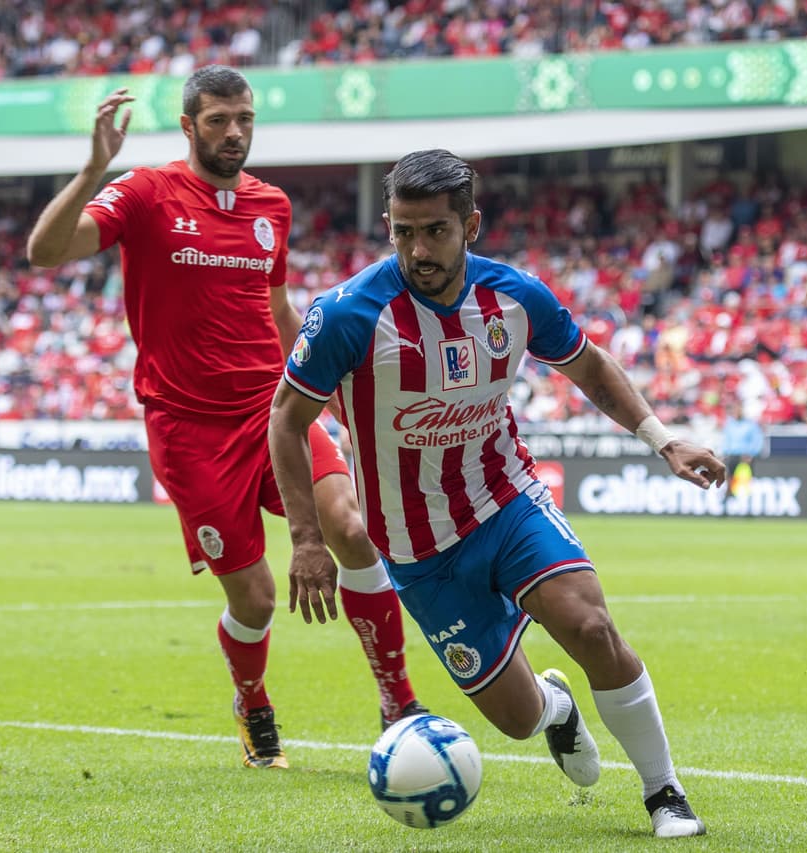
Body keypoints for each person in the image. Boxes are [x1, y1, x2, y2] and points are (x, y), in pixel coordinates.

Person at [268, 149, 725, 838]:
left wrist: (663, 438)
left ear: (471, 224)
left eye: (435, 231)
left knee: (591, 626)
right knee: (515, 717)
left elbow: (589, 364)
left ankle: (665, 792)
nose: (418, 249)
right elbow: (287, 418)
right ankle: (557, 710)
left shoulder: (514, 296)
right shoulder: (348, 315)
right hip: (420, 550)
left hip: (505, 500)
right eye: (403, 231)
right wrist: (306, 538)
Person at [25, 66, 426, 770]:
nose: (234, 131)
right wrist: (93, 168)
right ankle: (252, 699)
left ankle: (399, 700)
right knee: (258, 595)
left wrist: (326, 386)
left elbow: (276, 310)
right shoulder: (146, 193)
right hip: (189, 429)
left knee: (353, 529)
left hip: (274, 410)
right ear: (188, 126)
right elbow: (44, 252)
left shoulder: (272, 203)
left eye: (243, 118)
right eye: (217, 120)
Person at [722, 399, 765, 499]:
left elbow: (757, 440)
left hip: (745, 457)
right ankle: (728, 495)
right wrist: (724, 453)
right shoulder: (730, 424)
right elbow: (726, 440)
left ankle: (744, 500)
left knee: (744, 480)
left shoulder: (750, 424)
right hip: (731, 455)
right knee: (728, 476)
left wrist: (751, 453)